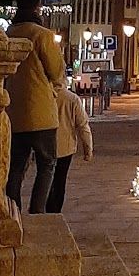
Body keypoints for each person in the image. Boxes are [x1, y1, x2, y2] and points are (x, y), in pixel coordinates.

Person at [5, 0, 65, 213]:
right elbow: (56, 71)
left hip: (12, 112)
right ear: (38, 9)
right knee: (47, 164)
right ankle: (38, 212)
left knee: (15, 168)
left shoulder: (7, 34)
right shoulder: (42, 35)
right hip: (41, 113)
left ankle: (13, 210)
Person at [46, 79, 94, 213]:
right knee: (60, 181)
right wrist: (88, 149)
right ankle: (55, 210)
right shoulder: (72, 99)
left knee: (45, 178)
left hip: (45, 145)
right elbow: (83, 126)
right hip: (65, 147)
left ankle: (42, 208)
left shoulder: (45, 97)